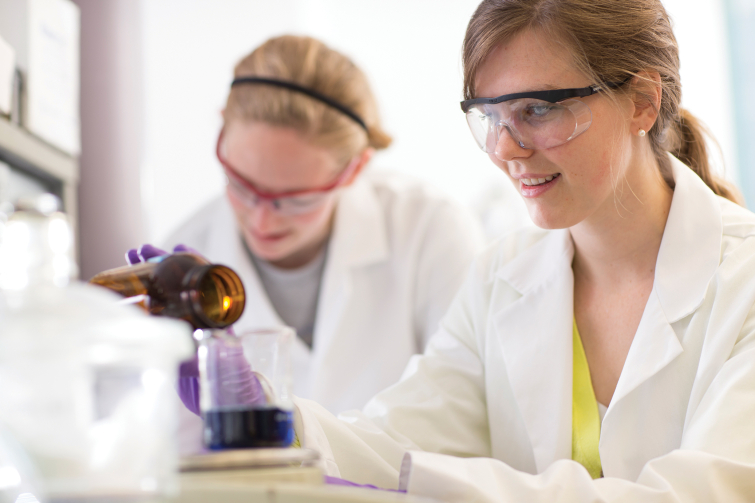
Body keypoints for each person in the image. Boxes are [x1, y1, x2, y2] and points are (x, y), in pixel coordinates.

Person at [286, 0, 755, 500]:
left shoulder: (743, 283)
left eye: (538, 109)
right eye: (490, 115)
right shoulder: (500, 278)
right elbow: (394, 439)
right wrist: (280, 424)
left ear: (642, 101)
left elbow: (702, 492)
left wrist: (434, 479)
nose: (505, 149)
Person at [162, 35, 486, 415]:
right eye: (241, 183)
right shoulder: (186, 246)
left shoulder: (429, 231)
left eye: (296, 199)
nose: (262, 219)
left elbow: (465, 415)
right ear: (221, 135)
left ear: (355, 168)